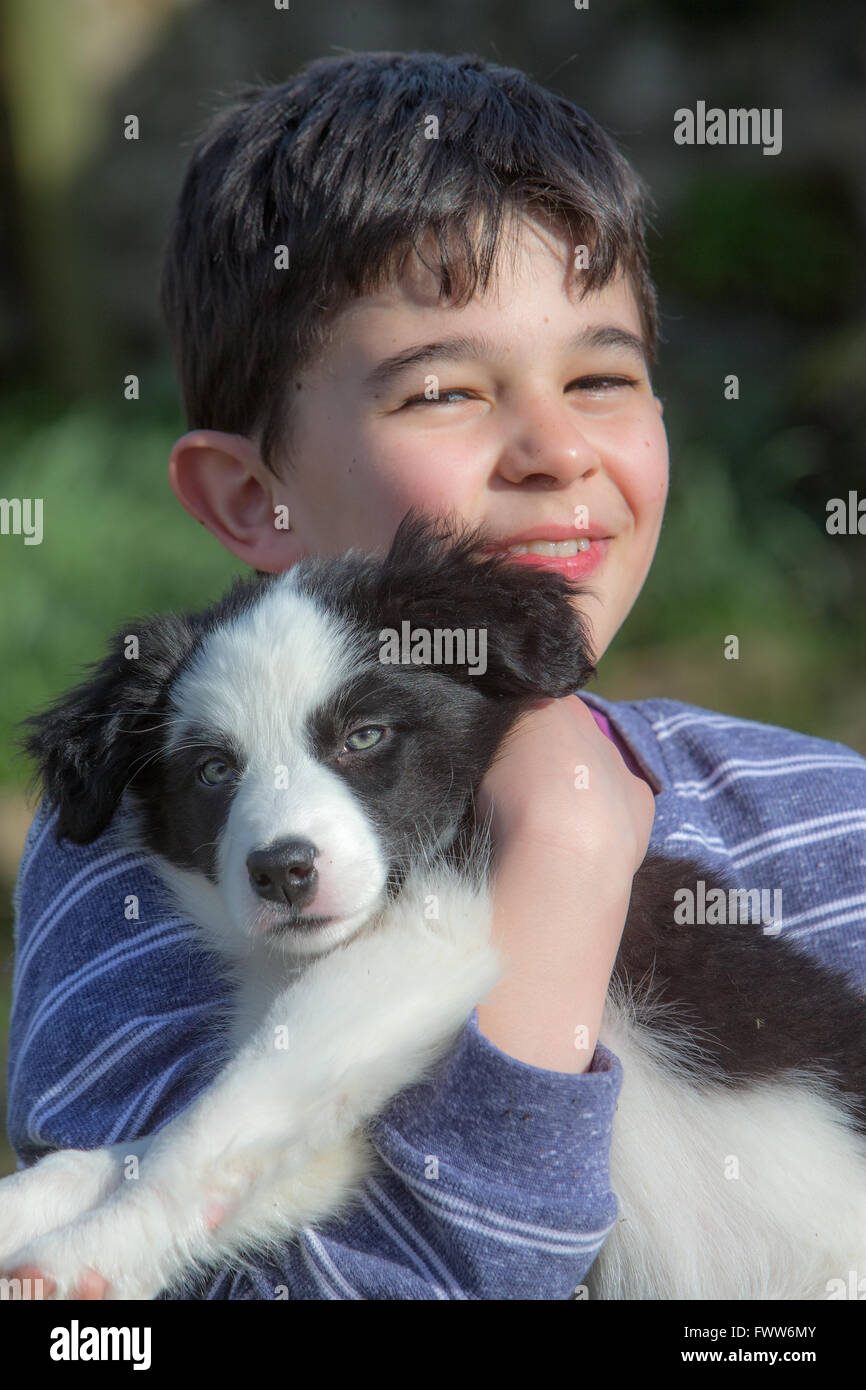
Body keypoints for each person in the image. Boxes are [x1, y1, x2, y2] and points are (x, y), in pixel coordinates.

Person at [7, 51, 866, 1300]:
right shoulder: (142, 865)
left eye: (600, 378)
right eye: (445, 390)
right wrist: (561, 874)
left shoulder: (822, 818)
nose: (553, 450)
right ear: (250, 495)